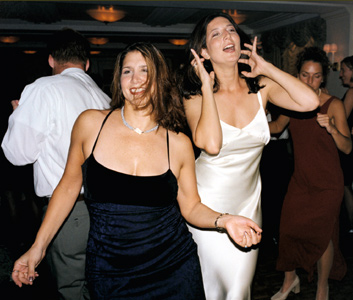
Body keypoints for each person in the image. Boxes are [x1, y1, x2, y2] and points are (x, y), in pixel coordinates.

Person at [10, 42, 262, 299]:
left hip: (173, 270)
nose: (136, 79)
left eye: (145, 70)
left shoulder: (177, 143)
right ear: (118, 80)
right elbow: (67, 187)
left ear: (159, 80)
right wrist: (38, 248)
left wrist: (225, 220)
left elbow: (191, 207)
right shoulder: (91, 124)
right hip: (110, 273)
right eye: (127, 71)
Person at [177, 12, 319, 300]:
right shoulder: (194, 95)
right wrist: (206, 86)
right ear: (203, 51)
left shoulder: (261, 88)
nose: (227, 36)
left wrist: (267, 67)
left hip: (248, 205)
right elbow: (211, 145)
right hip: (207, 206)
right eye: (216, 34)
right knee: (209, 290)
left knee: (239, 290)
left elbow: (310, 102)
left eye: (231, 30)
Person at [2, 28, 111, 300]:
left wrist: (17, 118)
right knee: (101, 283)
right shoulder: (105, 98)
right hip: (107, 207)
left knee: (72, 288)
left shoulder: (43, 89)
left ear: (51, 60)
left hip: (68, 212)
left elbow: (18, 155)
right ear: (86, 63)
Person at [269, 47, 351, 300]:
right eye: (305, 75)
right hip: (301, 180)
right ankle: (290, 279)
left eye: (316, 76)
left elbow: (348, 147)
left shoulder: (333, 104)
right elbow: (276, 127)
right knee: (288, 230)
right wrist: (246, 122)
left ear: (323, 78)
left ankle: (322, 287)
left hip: (328, 183)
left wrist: (333, 130)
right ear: (297, 75)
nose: (310, 81)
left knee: (322, 234)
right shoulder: (292, 102)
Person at [339, 55, 353, 232]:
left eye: (343, 70)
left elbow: (342, 117)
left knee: (345, 185)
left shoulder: (351, 92)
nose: (341, 74)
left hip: (349, 145)